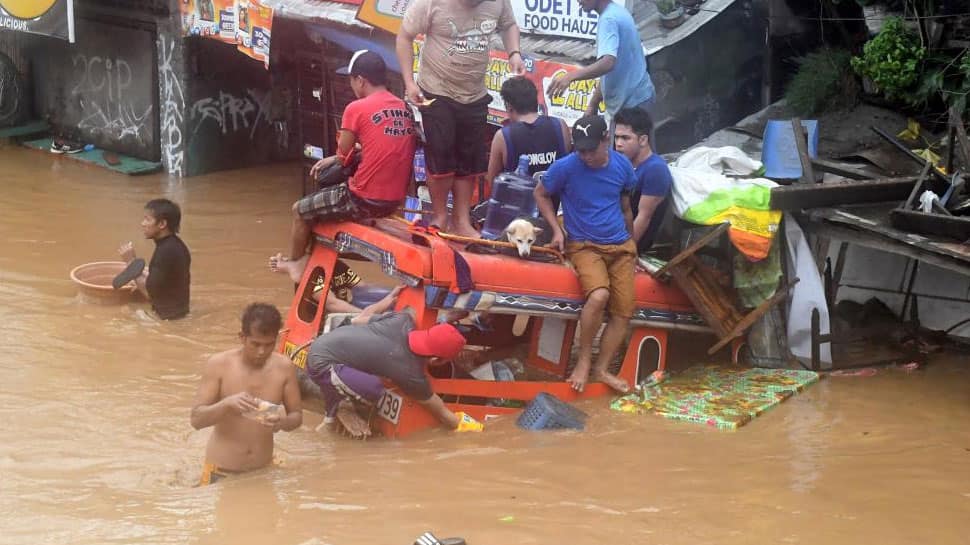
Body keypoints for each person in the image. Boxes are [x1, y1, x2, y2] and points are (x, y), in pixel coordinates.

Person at [396, 0, 525, 237]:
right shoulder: (430, 3)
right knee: (441, 155)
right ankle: (440, 216)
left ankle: (461, 220)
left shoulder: (497, 3)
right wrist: (409, 82)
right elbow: (404, 36)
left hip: (474, 94)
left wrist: (514, 53)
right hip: (436, 91)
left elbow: (509, 25)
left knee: (469, 160)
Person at [284, 50, 416, 266]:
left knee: (299, 210)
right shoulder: (404, 108)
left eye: (352, 80)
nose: (351, 86)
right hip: (394, 201)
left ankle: (294, 264)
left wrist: (337, 157)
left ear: (361, 80)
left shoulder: (356, 108)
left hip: (361, 199)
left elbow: (343, 156)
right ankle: (322, 264)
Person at [534, 115, 636, 393]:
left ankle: (602, 369)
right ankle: (583, 360)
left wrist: (633, 244)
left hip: (621, 246)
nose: (586, 155)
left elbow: (626, 207)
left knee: (624, 312)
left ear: (606, 140)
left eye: (592, 149)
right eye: (581, 150)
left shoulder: (623, 166)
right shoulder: (566, 167)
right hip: (584, 245)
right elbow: (541, 194)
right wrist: (556, 229)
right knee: (599, 295)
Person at [305, 306, 467, 432]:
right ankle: (344, 406)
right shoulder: (410, 372)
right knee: (373, 388)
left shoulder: (402, 319)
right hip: (321, 365)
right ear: (435, 360)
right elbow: (441, 412)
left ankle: (331, 417)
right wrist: (468, 429)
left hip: (323, 342)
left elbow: (357, 321)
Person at [190, 303, 302, 485]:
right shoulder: (218, 364)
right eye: (255, 344)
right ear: (242, 337)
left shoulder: (284, 367)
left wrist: (283, 422)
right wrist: (226, 404)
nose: (261, 352)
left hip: (263, 470)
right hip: (221, 470)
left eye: (269, 345)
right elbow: (196, 420)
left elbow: (296, 416)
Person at [546, 0, 654, 133]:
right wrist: (593, 103)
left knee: (632, 152)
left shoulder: (608, 19)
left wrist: (570, 76)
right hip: (636, 100)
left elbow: (608, 63)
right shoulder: (616, 12)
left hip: (632, 105)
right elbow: (611, 70)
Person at [486, 76, 571, 184]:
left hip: (518, 199)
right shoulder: (560, 125)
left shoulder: (502, 136)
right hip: (555, 199)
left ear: (508, 106)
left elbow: (492, 180)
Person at [118, 198, 191, 320]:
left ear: (162, 224)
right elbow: (164, 284)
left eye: (147, 219)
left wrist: (131, 263)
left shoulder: (165, 252)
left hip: (167, 320)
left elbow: (150, 294)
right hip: (179, 312)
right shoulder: (176, 245)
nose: (143, 223)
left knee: (121, 313)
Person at [613, 107, 671, 253]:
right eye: (616, 137)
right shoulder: (622, 163)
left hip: (631, 245)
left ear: (643, 140)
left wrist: (622, 252)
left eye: (625, 138)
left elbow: (644, 217)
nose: (618, 143)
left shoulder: (655, 169)